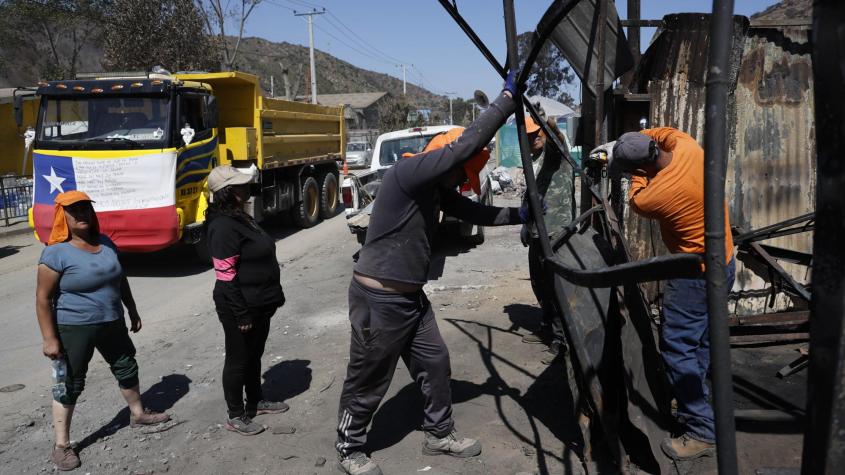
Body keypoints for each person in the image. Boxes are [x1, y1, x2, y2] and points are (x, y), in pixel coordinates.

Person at [334, 81, 526, 475]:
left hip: (411, 300)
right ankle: (349, 447)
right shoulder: (410, 171)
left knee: (435, 362)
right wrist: (505, 102)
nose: (460, 184)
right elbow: (465, 146)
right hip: (379, 300)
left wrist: (520, 216)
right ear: (445, 163)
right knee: (369, 377)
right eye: (460, 175)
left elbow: (477, 214)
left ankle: (439, 435)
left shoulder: (435, 189)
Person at [592, 127, 735, 461]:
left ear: (638, 170)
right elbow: (659, 133)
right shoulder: (687, 147)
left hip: (693, 275)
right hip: (724, 260)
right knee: (699, 342)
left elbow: (636, 193)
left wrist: (626, 166)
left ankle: (701, 430)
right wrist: (623, 145)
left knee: (676, 348)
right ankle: (693, 399)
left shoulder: (650, 198)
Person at [35, 191, 170, 472]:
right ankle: (62, 445)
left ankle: (137, 414)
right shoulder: (55, 252)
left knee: (125, 366)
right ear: (64, 217)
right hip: (74, 327)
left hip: (112, 321)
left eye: (86, 209)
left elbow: (120, 279)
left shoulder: (106, 243)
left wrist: (131, 309)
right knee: (70, 381)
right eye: (75, 211)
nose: (82, 215)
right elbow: (43, 298)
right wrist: (49, 338)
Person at [205, 165, 288, 436]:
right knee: (238, 360)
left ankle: (255, 400)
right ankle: (235, 415)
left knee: (254, 355)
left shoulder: (241, 217)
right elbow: (226, 276)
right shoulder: (223, 226)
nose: (246, 188)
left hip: (261, 303)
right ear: (228, 192)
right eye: (240, 185)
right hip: (241, 307)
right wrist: (241, 314)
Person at [519, 114, 575, 365]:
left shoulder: (557, 156)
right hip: (537, 233)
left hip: (556, 232)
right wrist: (525, 223)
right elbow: (533, 194)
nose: (534, 139)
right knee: (539, 283)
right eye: (529, 136)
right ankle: (546, 326)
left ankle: (562, 340)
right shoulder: (533, 161)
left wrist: (546, 123)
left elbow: (556, 139)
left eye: (536, 134)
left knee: (556, 287)